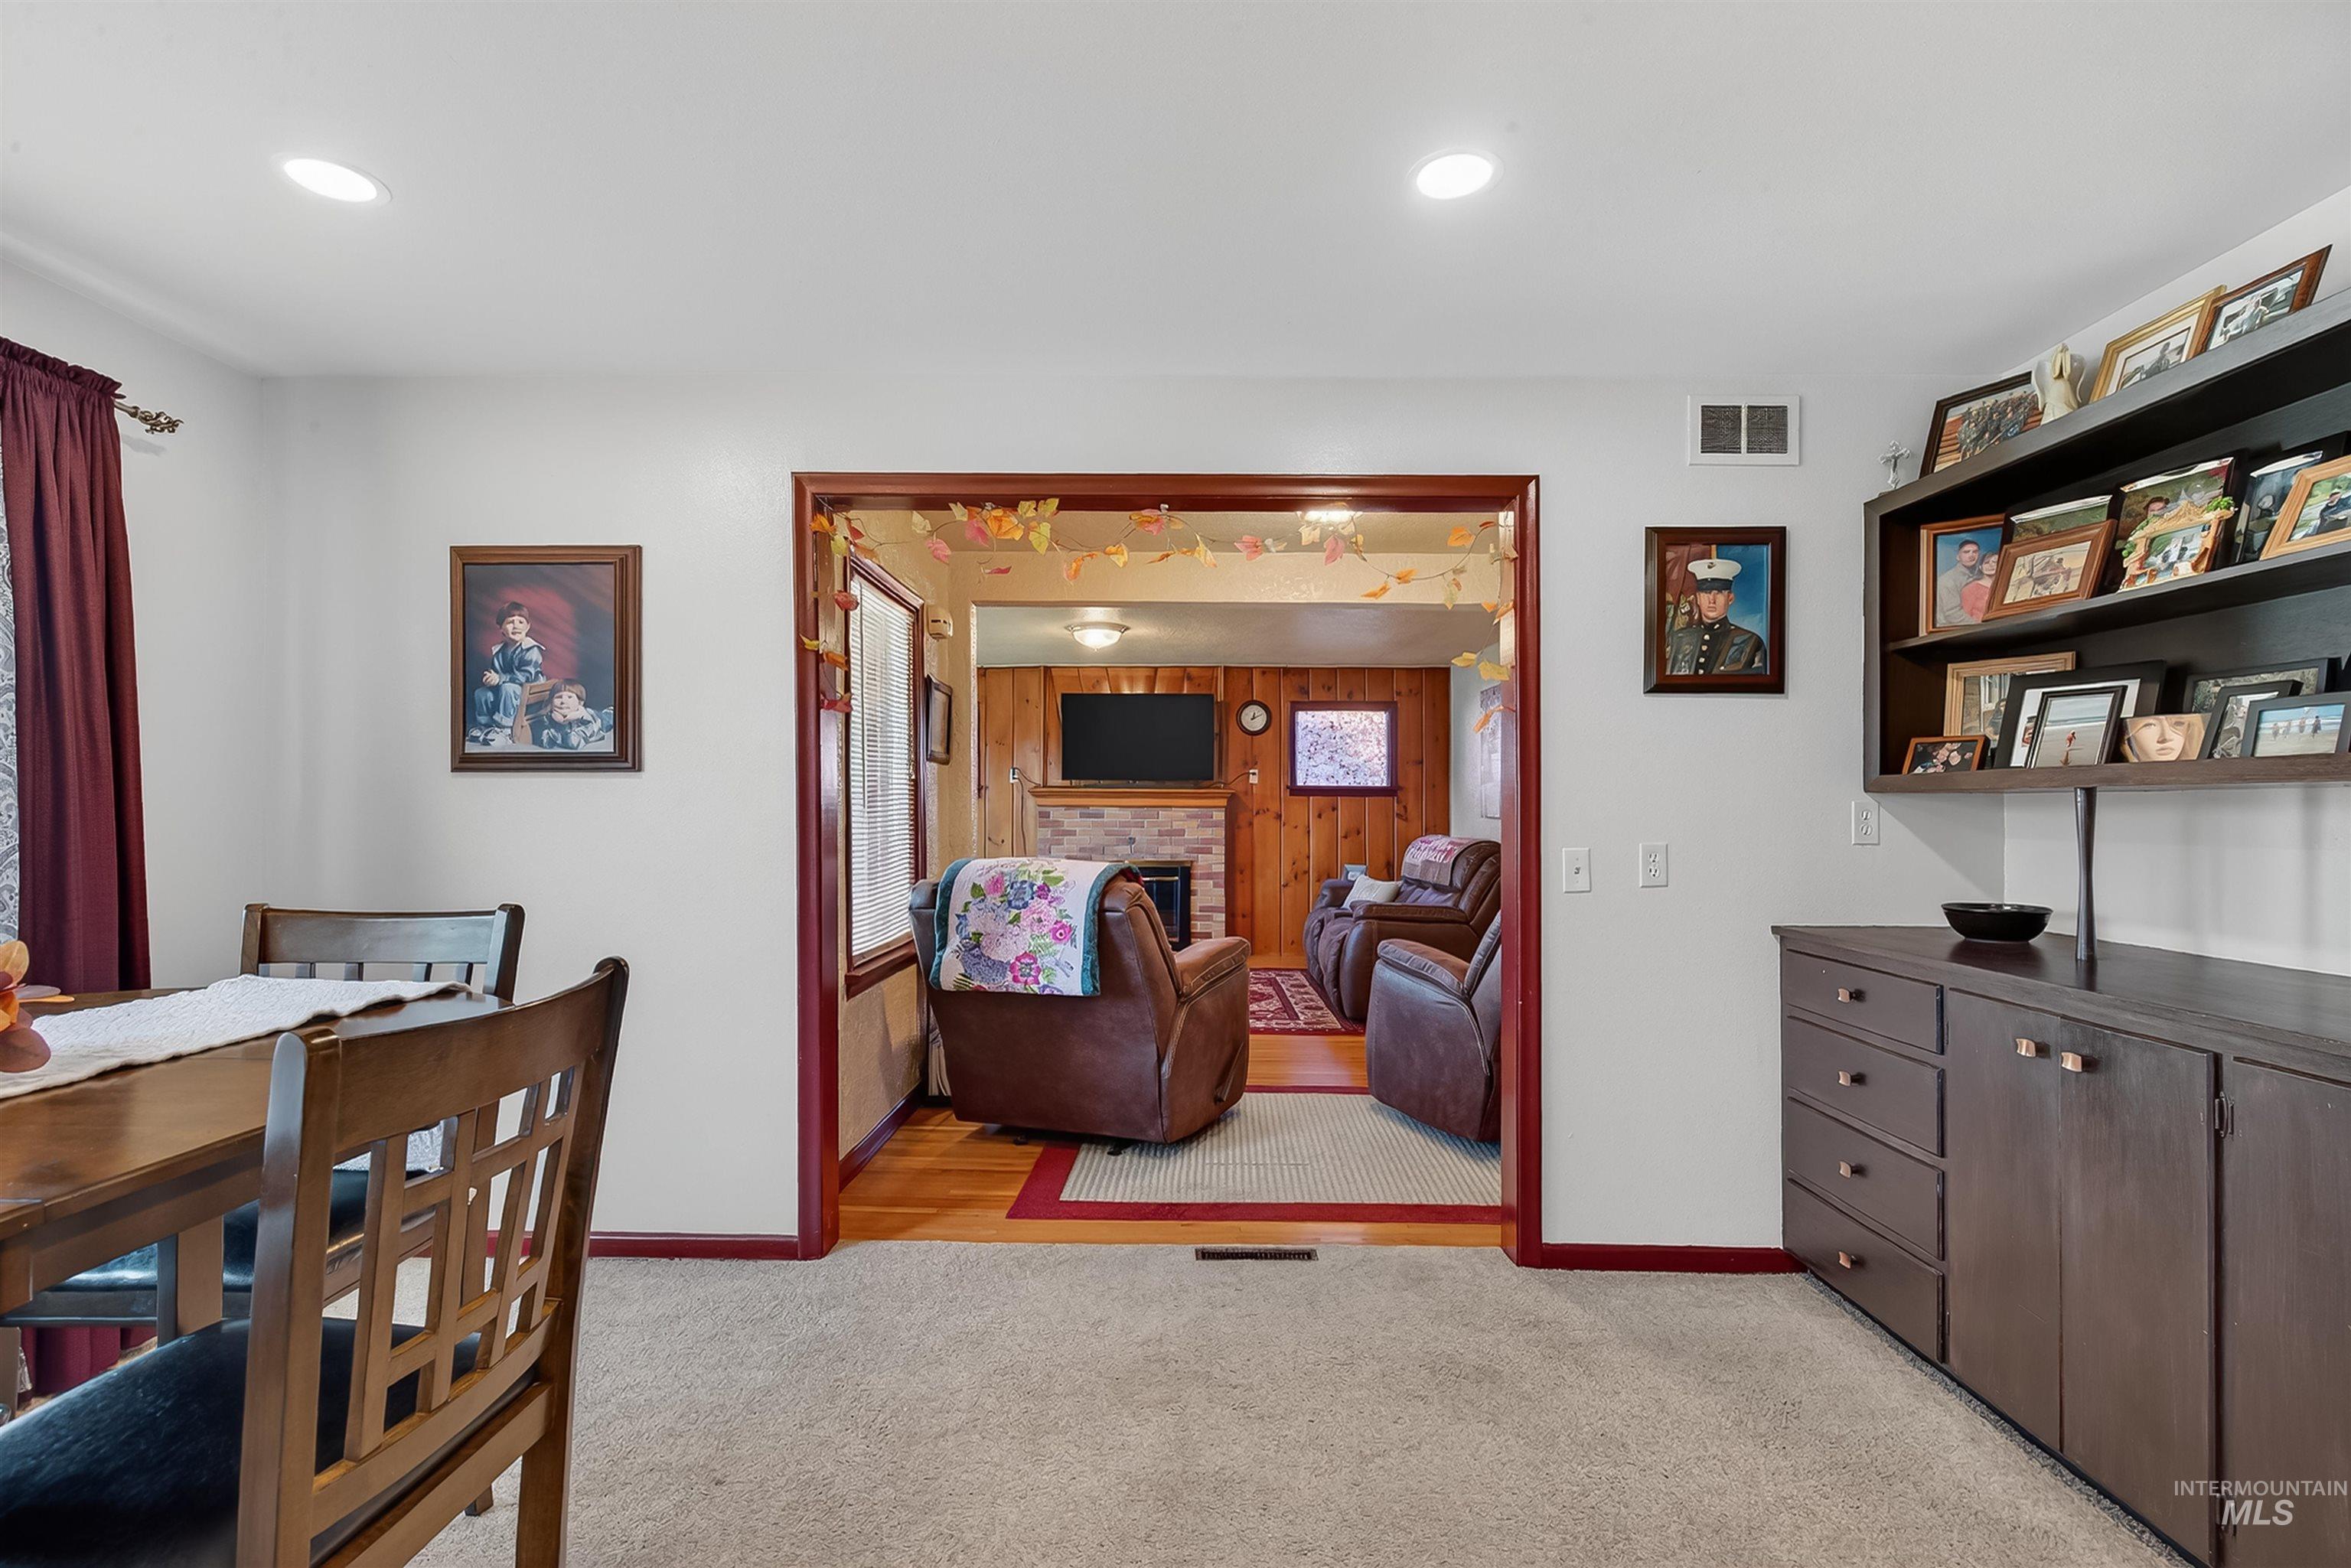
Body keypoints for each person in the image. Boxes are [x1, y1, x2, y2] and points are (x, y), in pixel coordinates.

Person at [1665, 556, 1766, 675]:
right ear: (1698, 598)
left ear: (1730, 598)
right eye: (1706, 593)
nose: (1711, 600)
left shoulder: (1751, 642)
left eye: (1718, 593)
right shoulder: (1679, 639)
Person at [467, 599, 544, 745]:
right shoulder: (499, 651)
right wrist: (491, 679)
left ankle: (505, 729)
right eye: (510, 622)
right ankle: (486, 726)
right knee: (482, 693)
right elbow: (496, 673)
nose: (516, 626)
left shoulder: (531, 649)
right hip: (506, 688)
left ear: (528, 627)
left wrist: (500, 678)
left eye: (521, 622)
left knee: (507, 688)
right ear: (501, 629)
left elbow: (526, 676)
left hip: (530, 689)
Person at [533, 680, 613, 750]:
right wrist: (556, 723)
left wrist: (562, 724)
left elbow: (574, 743)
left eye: (570, 697)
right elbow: (546, 742)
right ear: (551, 702)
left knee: (610, 717)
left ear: (580, 702)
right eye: (559, 697)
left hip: (600, 720)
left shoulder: (586, 723)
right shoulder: (548, 718)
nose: (563, 701)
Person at [1936, 537, 1983, 626]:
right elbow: (1952, 614)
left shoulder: (1980, 575)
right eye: (1966, 552)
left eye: (1975, 552)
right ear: (1958, 556)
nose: (1972, 555)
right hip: (1950, 630)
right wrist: (1980, 626)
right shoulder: (1947, 581)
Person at [1959, 548, 1998, 622]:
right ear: (1981, 567)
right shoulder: (1971, 588)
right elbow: (1965, 616)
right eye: (1986, 563)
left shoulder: (2004, 586)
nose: (1991, 565)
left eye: (1995, 562)